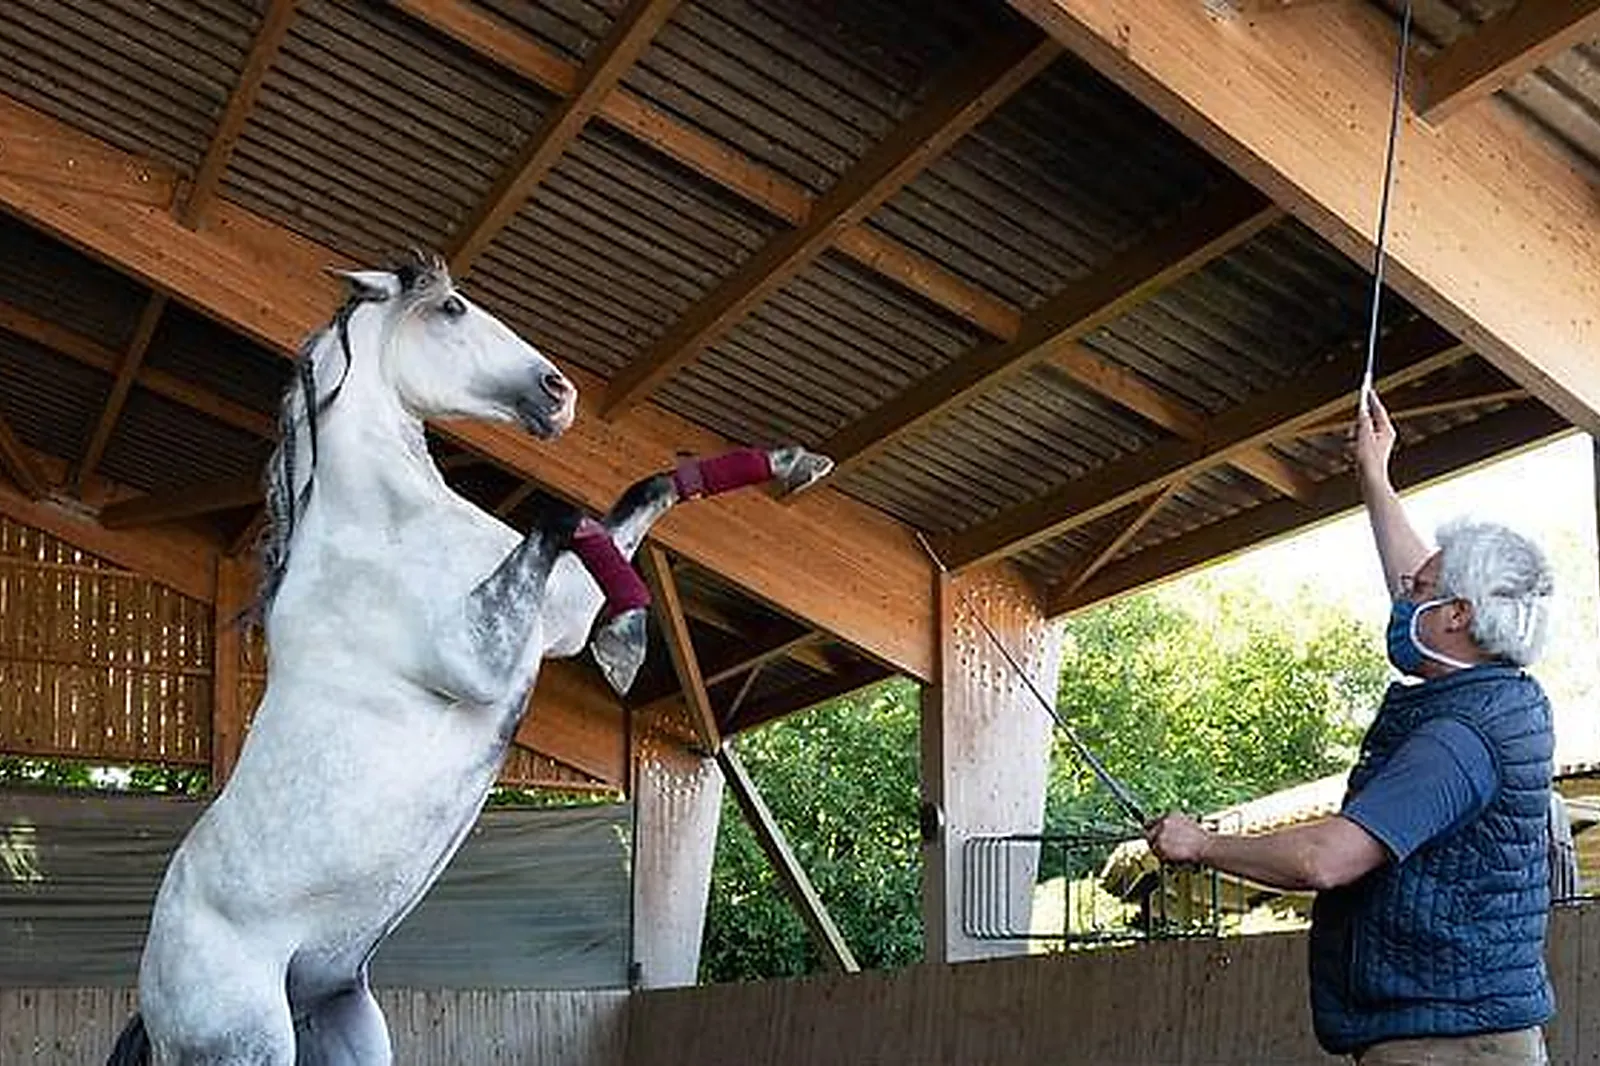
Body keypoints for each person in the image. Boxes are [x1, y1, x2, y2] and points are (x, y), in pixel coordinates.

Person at [1145, 389, 1557, 1065]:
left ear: (1457, 616)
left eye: (1418, 592)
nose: (1402, 598)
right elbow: (1419, 576)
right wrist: (1374, 474)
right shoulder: (1492, 699)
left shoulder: (1461, 741)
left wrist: (1201, 845)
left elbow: (1326, 860)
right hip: (1448, 1030)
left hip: (1445, 1045)